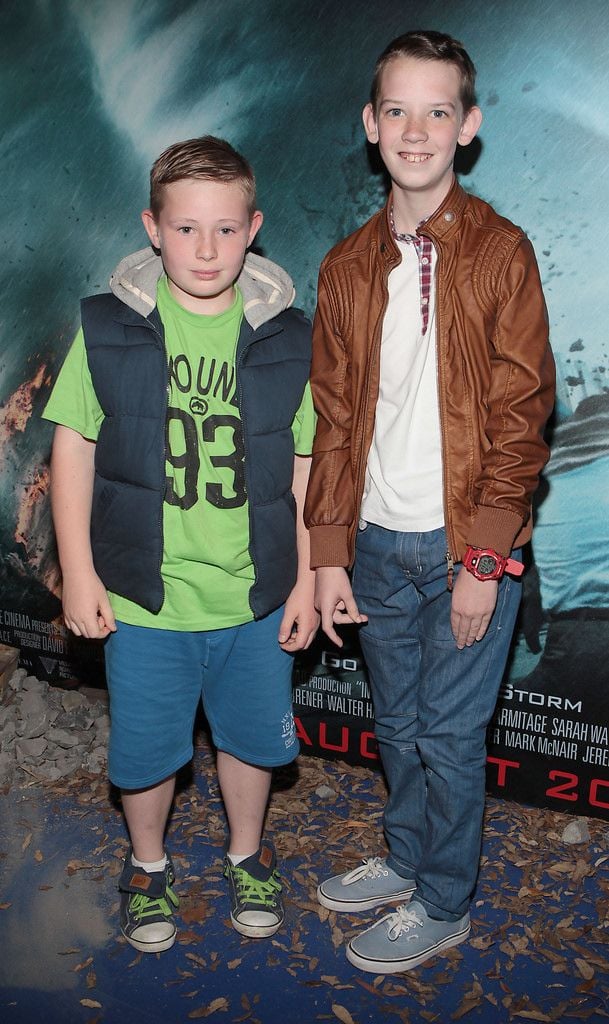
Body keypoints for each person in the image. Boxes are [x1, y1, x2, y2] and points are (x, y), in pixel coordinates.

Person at [304, 30, 555, 973]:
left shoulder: (500, 253)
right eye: (397, 110)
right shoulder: (343, 266)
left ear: (468, 125)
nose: (416, 130)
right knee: (398, 728)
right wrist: (327, 553)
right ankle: (407, 859)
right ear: (372, 126)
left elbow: (523, 418)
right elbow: (330, 421)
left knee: (450, 740)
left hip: (461, 549)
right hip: (372, 545)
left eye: (437, 110)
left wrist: (484, 560)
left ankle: (445, 900)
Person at [43, 136, 318, 953]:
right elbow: (72, 449)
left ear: (253, 228)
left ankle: (245, 851)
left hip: (254, 597)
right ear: (152, 227)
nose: (207, 248)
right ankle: (148, 865)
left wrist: (305, 580)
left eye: (227, 230)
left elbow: (307, 465)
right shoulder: (106, 329)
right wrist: (78, 573)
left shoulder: (288, 336)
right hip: (143, 598)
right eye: (188, 228)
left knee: (249, 739)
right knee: (145, 750)